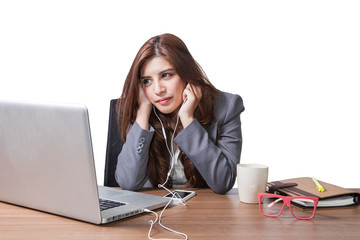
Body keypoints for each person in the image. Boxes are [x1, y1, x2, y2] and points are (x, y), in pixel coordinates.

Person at [115, 33, 244, 194]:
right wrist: (142, 113)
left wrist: (188, 119)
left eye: (166, 75)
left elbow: (223, 182)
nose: (158, 90)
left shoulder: (226, 107)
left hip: (205, 212)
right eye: (147, 80)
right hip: (153, 213)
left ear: (186, 73)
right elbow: (128, 183)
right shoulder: (140, 109)